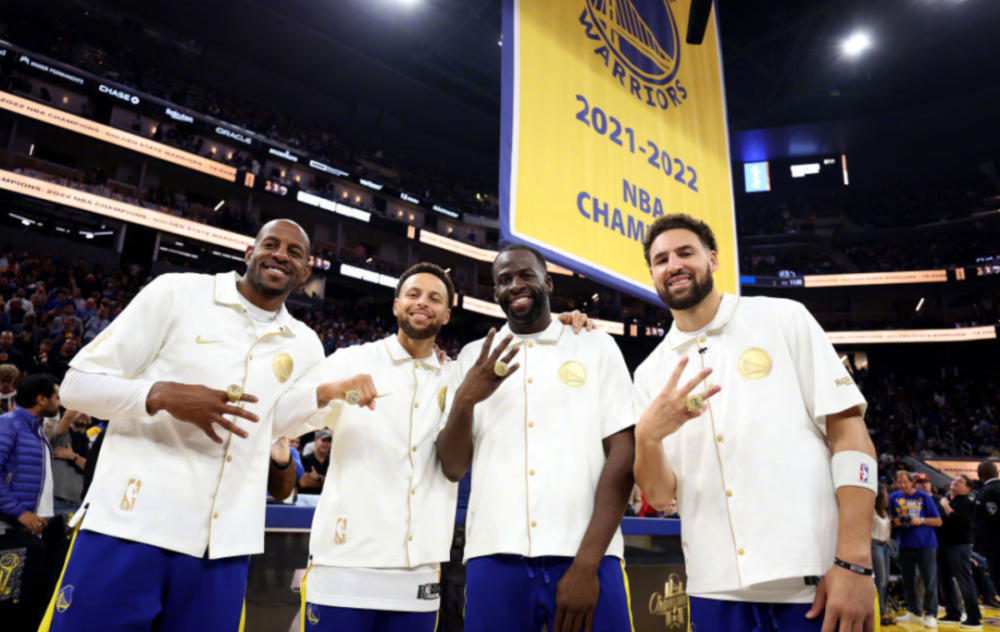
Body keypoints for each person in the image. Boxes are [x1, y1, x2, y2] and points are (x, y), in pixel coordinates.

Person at [43, 220, 335, 632]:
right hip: (129, 526)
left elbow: (275, 425)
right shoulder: (177, 292)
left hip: (224, 548)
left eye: (294, 252)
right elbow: (75, 387)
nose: (280, 255)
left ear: (305, 272)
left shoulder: (306, 346)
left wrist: (334, 394)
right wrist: (161, 394)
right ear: (249, 253)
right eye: (271, 244)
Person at [632, 214, 877, 632]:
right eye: (661, 259)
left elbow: (850, 433)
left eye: (685, 252)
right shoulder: (649, 373)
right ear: (652, 274)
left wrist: (855, 560)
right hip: (713, 587)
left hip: (814, 577)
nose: (673, 264)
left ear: (712, 259)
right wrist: (648, 437)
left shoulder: (783, 318)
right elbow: (658, 494)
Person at [438, 244, 636, 632]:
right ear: (496, 292)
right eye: (504, 280)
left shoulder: (594, 344)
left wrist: (587, 563)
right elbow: (452, 467)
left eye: (526, 275)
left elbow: (623, 455)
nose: (515, 285)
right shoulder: (473, 357)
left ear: (548, 282)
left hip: (587, 554)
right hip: (493, 554)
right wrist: (464, 400)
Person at [0, 374, 61, 630]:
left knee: (26, 605)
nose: (59, 402)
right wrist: (19, 512)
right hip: (8, 530)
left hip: (27, 531)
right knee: (7, 606)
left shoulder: (35, 429)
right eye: (56, 396)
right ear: (41, 399)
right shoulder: (8, 425)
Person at [890, 470, 942, 628]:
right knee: (908, 580)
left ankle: (931, 613)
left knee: (929, 580)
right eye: (899, 482)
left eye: (905, 482)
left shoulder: (924, 497)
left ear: (912, 482)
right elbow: (892, 518)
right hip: (905, 544)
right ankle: (914, 611)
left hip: (926, 544)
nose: (902, 485)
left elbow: (938, 521)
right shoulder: (894, 497)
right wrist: (895, 522)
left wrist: (921, 520)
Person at [934, 475, 983, 629]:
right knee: (944, 580)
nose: (955, 482)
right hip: (942, 544)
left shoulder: (968, 502)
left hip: (959, 545)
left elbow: (962, 522)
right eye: (954, 480)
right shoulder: (945, 498)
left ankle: (974, 618)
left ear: (968, 488)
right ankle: (952, 613)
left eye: (960, 481)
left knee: (964, 581)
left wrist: (946, 507)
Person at [45, 410, 91, 518]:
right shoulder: (60, 435)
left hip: (79, 504)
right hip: (54, 501)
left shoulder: (91, 443)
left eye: (86, 410)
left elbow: (92, 469)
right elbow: (67, 417)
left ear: (91, 420)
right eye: (78, 410)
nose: (83, 412)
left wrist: (73, 456)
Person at [972, 461, 1000, 601]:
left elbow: (993, 516)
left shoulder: (989, 491)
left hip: (993, 542)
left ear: (979, 475)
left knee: (996, 574)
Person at [872, 484, 894, 627]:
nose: (887, 495)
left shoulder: (884, 510)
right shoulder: (871, 509)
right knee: (879, 580)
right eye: (885, 492)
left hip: (885, 546)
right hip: (874, 545)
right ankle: (881, 611)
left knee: (885, 580)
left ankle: (882, 609)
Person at [298, 429, 332, 495]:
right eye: (323, 440)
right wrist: (325, 483)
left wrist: (318, 477)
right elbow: (303, 483)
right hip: (307, 498)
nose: (326, 444)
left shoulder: (332, 461)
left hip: (326, 498)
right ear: (315, 441)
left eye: (329, 442)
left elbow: (336, 483)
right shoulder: (305, 459)